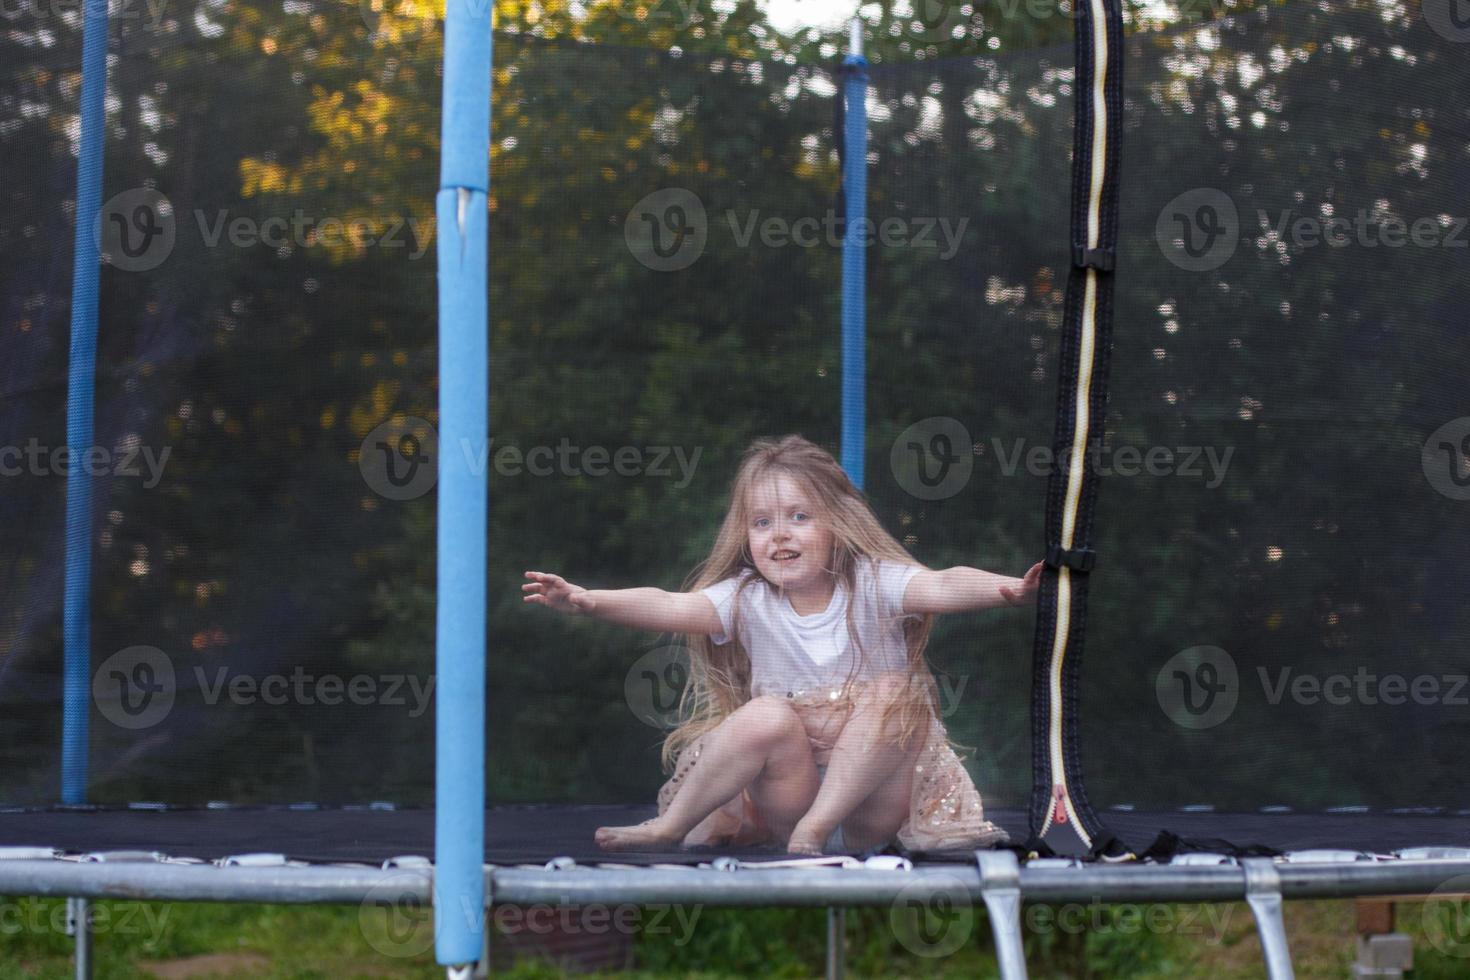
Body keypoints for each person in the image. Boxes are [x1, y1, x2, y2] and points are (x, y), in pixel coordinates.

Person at [523, 434, 1040, 854]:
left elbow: (943, 583)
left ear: (837, 525)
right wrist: (589, 600)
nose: (779, 536)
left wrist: (1009, 590)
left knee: (896, 693)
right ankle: (670, 826)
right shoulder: (745, 599)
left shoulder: (875, 582)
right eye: (762, 523)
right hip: (788, 801)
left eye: (799, 517)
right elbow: (669, 604)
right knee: (766, 714)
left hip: (873, 806)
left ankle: (818, 830)